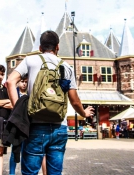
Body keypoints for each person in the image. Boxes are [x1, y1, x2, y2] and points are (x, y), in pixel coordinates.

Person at [6, 30, 94, 174]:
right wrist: (84, 113)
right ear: (57, 47)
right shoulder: (67, 67)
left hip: (35, 126)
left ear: (40, 48)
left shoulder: (30, 60)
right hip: (59, 128)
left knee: (30, 172)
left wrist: (18, 110)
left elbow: (10, 81)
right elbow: (75, 101)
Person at [8, 74, 47, 175]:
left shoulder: (31, 93)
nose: (24, 84)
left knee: (31, 152)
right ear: (18, 82)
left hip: (29, 125)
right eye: (22, 81)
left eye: (26, 82)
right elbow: (11, 104)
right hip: (17, 125)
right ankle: (11, 173)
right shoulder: (14, 92)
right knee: (14, 151)